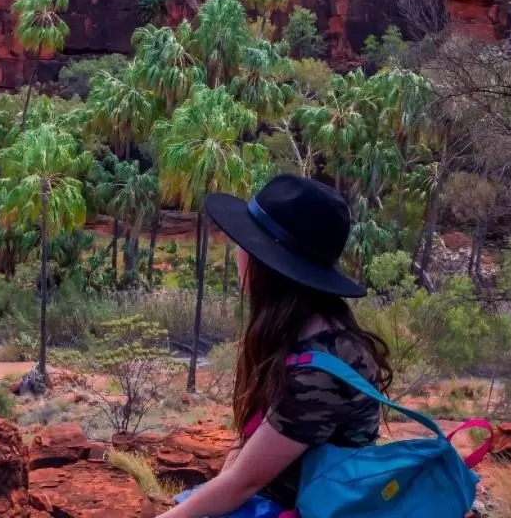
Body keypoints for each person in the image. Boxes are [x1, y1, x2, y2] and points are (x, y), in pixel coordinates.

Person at [159, 174, 392, 518]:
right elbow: (244, 460)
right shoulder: (308, 334)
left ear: (268, 264)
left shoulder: (319, 369)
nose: (238, 252)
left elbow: (243, 484)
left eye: (246, 243)